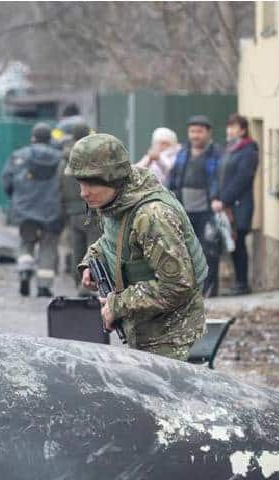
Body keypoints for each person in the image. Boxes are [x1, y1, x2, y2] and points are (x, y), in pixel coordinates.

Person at [69, 133, 208, 361]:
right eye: (80, 182)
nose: (83, 192)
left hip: (172, 339)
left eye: (91, 183)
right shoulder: (117, 202)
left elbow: (176, 286)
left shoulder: (152, 216)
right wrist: (91, 262)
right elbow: (112, 240)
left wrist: (117, 305)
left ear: (112, 177)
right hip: (146, 332)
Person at [1, 122, 63, 298]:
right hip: (51, 210)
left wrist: (15, 198)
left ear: (32, 137)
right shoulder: (59, 159)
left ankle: (24, 271)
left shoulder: (18, 156)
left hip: (25, 208)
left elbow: (6, 180)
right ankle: (44, 286)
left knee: (26, 241)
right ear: (50, 138)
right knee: (48, 246)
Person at [168, 115, 222, 297]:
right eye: (192, 131)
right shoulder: (183, 152)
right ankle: (190, 289)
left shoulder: (216, 153)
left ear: (208, 132)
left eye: (199, 131)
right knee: (185, 249)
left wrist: (216, 198)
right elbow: (173, 178)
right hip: (184, 210)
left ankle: (210, 289)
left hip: (207, 211)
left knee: (209, 250)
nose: (195, 135)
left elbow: (219, 180)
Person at [213, 114, 259, 296]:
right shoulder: (229, 149)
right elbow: (220, 176)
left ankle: (242, 283)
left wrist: (224, 200)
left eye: (233, 127)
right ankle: (237, 282)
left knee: (239, 243)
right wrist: (216, 197)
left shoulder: (249, 151)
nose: (229, 131)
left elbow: (242, 179)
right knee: (231, 243)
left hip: (240, 205)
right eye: (228, 127)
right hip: (225, 205)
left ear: (243, 130)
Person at [58, 121, 95, 293]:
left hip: (72, 211)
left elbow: (60, 184)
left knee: (77, 248)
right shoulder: (92, 155)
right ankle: (88, 284)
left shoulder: (65, 159)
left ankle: (77, 280)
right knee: (93, 248)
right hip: (92, 209)